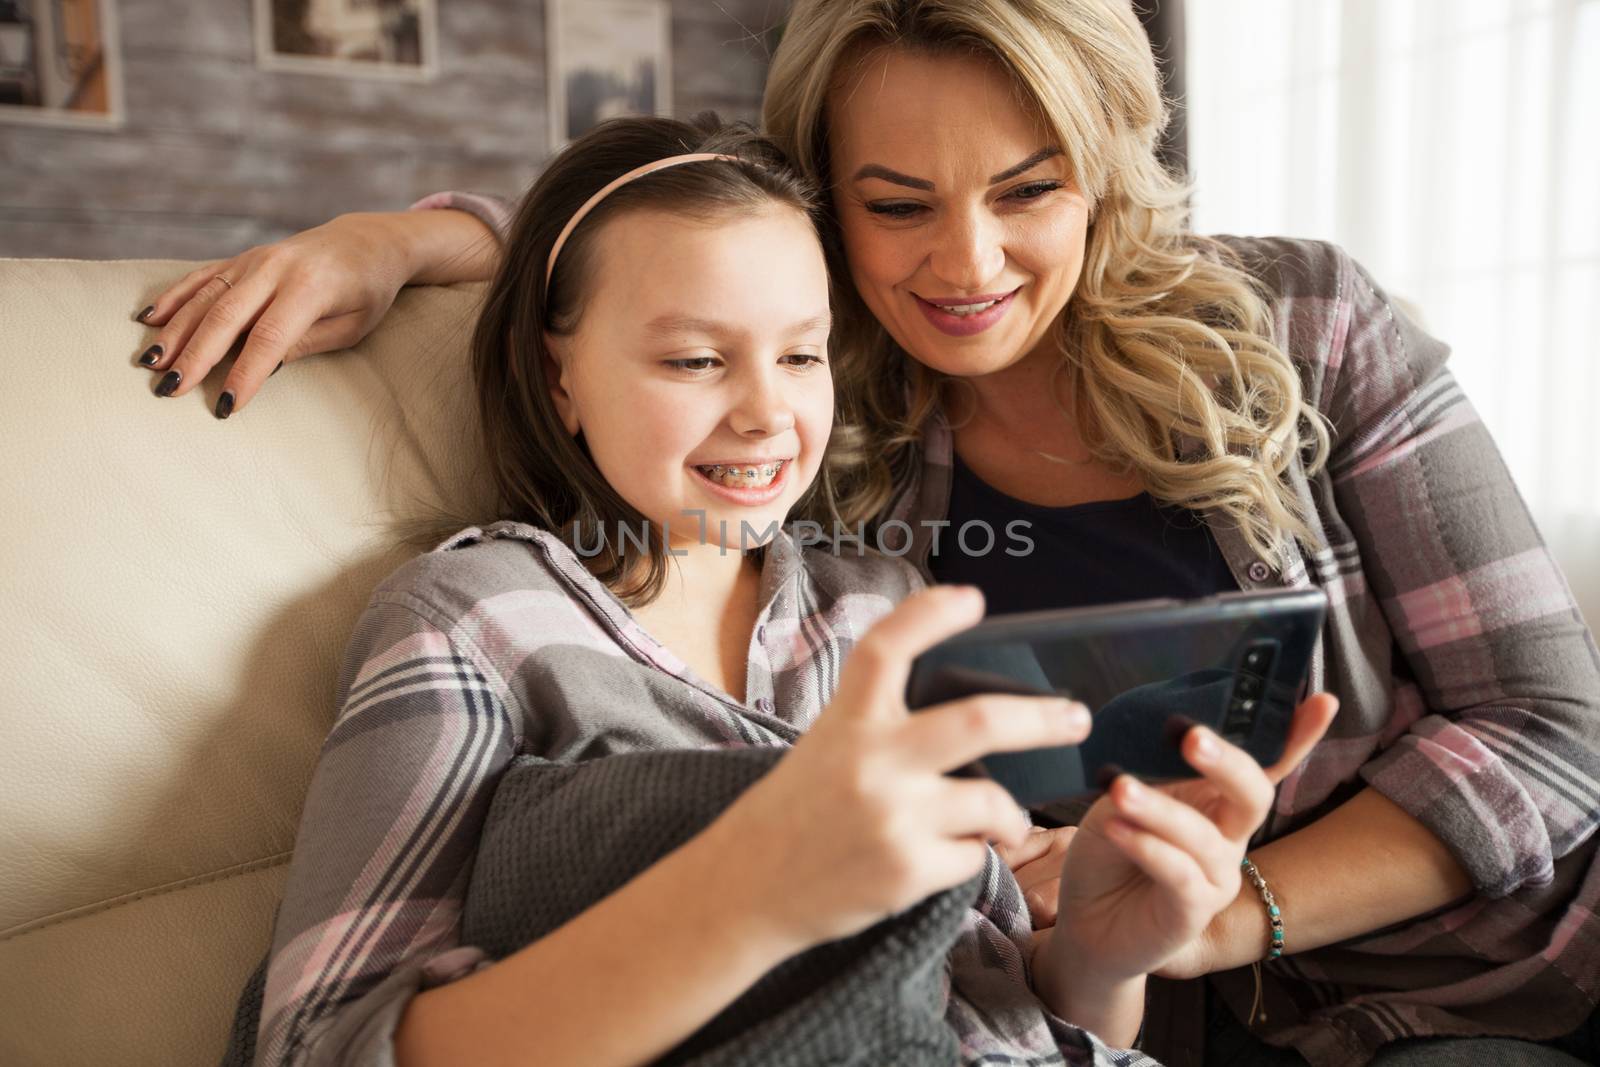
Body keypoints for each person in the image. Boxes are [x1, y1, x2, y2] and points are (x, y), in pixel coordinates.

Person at [136, 2, 1600, 1064]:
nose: (966, 263)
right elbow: (655, 265)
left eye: (1030, 191)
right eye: (897, 205)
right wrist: (399, 240)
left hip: (1503, 961)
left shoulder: (1297, 328)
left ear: (1104, 162)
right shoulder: (836, 470)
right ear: (834, 210)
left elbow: (1550, 730)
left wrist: (1190, 923)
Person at [233, 112, 1330, 1067]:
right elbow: (316, 1040)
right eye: (696, 360)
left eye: (801, 356)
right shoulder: (476, 619)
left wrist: (1099, 952)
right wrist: (759, 886)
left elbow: (1009, 1004)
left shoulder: (882, 607)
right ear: (557, 372)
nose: (766, 413)